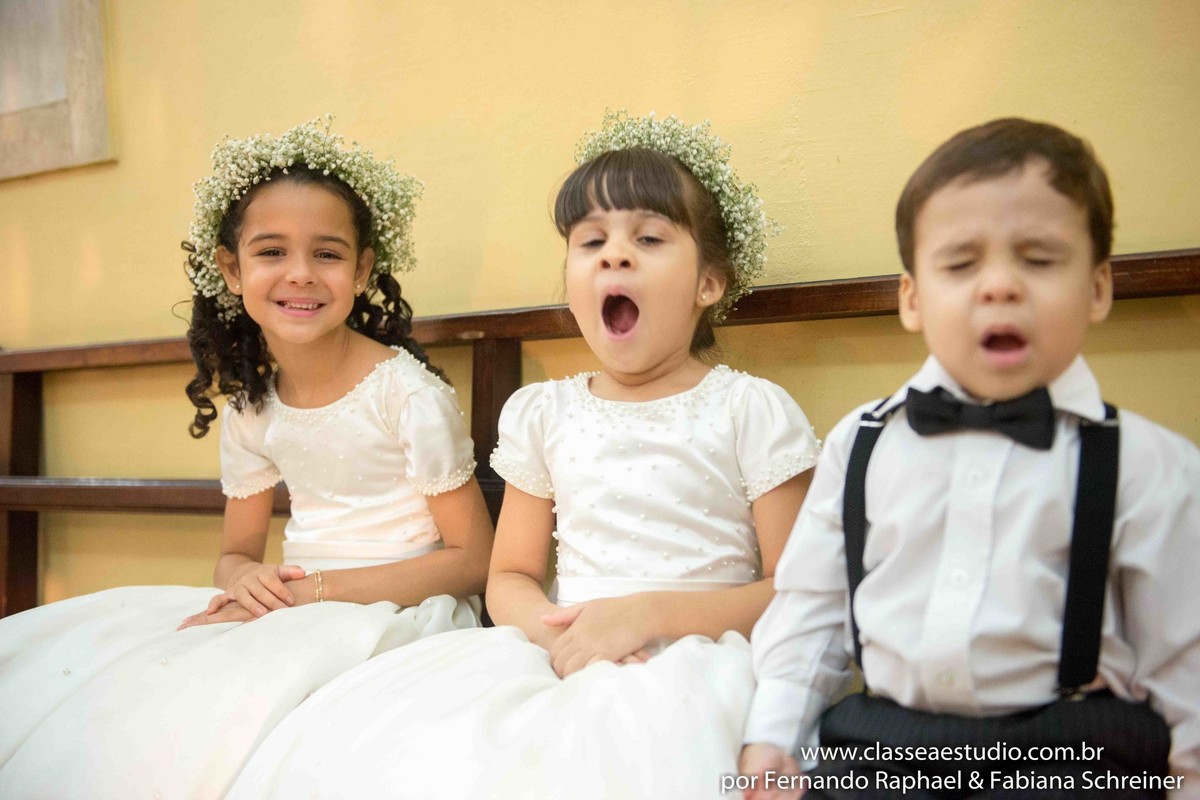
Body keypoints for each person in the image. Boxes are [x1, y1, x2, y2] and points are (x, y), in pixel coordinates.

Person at [225, 111, 820, 799]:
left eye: (649, 239)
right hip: (559, 649)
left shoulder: (750, 409)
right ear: (570, 280)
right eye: (590, 241)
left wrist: (647, 617)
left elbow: (796, 591)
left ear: (709, 283)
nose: (614, 255)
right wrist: (556, 632)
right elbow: (507, 573)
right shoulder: (543, 413)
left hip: (702, 656)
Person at [0, 117, 494, 799]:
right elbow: (235, 552)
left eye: (327, 253)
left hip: (399, 606)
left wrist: (312, 594)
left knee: (246, 707)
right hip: (292, 601)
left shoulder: (406, 395)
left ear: (363, 269)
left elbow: (474, 558)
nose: (300, 274)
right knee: (136, 685)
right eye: (270, 252)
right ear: (231, 269)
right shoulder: (252, 408)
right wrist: (247, 581)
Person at [740, 118, 1200, 799]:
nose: (1000, 286)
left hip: (1073, 758)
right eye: (961, 264)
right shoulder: (857, 445)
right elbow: (812, 613)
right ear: (913, 298)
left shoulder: (1152, 465)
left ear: (1099, 288)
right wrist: (772, 739)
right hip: (880, 751)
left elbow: (1186, 656)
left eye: (1039, 260)